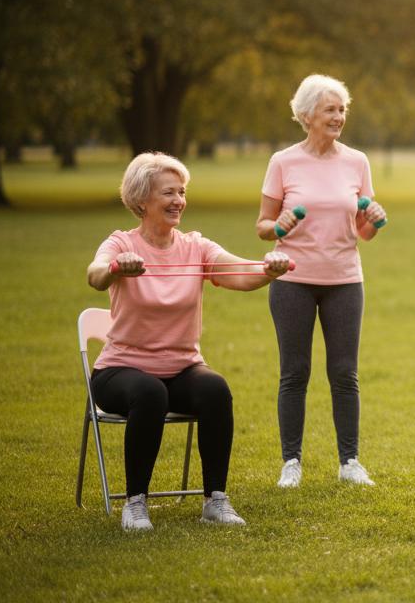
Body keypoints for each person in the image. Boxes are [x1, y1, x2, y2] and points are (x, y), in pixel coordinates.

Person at [87, 152, 291, 531]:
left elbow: (241, 273)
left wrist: (268, 269)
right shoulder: (120, 243)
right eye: (169, 192)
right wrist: (116, 267)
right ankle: (135, 504)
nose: (179, 200)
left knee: (215, 389)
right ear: (142, 199)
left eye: (181, 191)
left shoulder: (195, 246)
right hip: (119, 372)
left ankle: (215, 500)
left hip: (180, 369)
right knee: (150, 393)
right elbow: (95, 275)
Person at [256, 74, 387, 489]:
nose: (339, 117)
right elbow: (263, 227)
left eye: (342, 110)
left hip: (345, 280)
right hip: (293, 279)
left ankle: (349, 462)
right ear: (307, 115)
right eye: (330, 110)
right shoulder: (283, 161)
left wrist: (374, 224)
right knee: (294, 372)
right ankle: (291, 462)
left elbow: (360, 231)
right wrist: (277, 225)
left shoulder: (357, 162)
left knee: (344, 373)